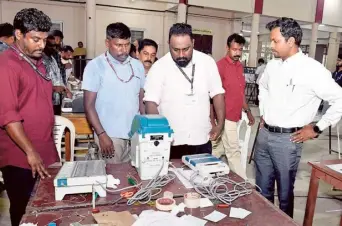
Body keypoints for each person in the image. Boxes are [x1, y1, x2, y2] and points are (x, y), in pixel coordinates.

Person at [256, 17, 342, 217]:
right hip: (263, 136)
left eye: (275, 41)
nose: (271, 45)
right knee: (262, 192)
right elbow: (263, 87)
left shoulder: (312, 70)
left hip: (288, 140)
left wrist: (317, 128)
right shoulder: (272, 66)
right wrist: (264, 113)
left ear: (291, 41)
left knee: (285, 194)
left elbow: (340, 99)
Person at [0, 8, 59, 226]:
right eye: (35, 39)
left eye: (44, 39)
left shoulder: (38, 61)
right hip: (21, 158)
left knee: (46, 207)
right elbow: (9, 117)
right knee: (24, 212)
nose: (42, 45)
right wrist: (31, 152)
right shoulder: (7, 65)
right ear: (18, 34)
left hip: (44, 151)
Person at [144, 23, 225, 159]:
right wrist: (159, 131)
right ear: (168, 43)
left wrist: (220, 124)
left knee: (202, 179)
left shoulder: (207, 63)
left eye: (186, 49)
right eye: (175, 50)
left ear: (193, 43)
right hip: (171, 142)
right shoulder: (159, 68)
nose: (181, 54)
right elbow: (150, 102)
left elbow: (217, 94)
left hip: (201, 139)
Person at [82, 22, 145, 164]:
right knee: (112, 180)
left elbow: (141, 100)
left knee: (134, 178)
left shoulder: (137, 65)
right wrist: (102, 135)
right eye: (118, 45)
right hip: (110, 136)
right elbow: (89, 106)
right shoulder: (95, 66)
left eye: (127, 44)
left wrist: (145, 129)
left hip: (135, 134)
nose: (124, 50)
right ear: (107, 42)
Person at [214, 33, 255, 179]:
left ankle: (201, 172)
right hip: (224, 116)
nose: (237, 53)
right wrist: (214, 120)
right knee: (233, 151)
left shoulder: (239, 66)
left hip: (235, 114)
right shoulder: (219, 66)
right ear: (227, 47)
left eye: (240, 50)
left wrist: (248, 111)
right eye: (234, 49)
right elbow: (213, 95)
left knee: (217, 150)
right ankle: (242, 185)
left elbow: (240, 92)